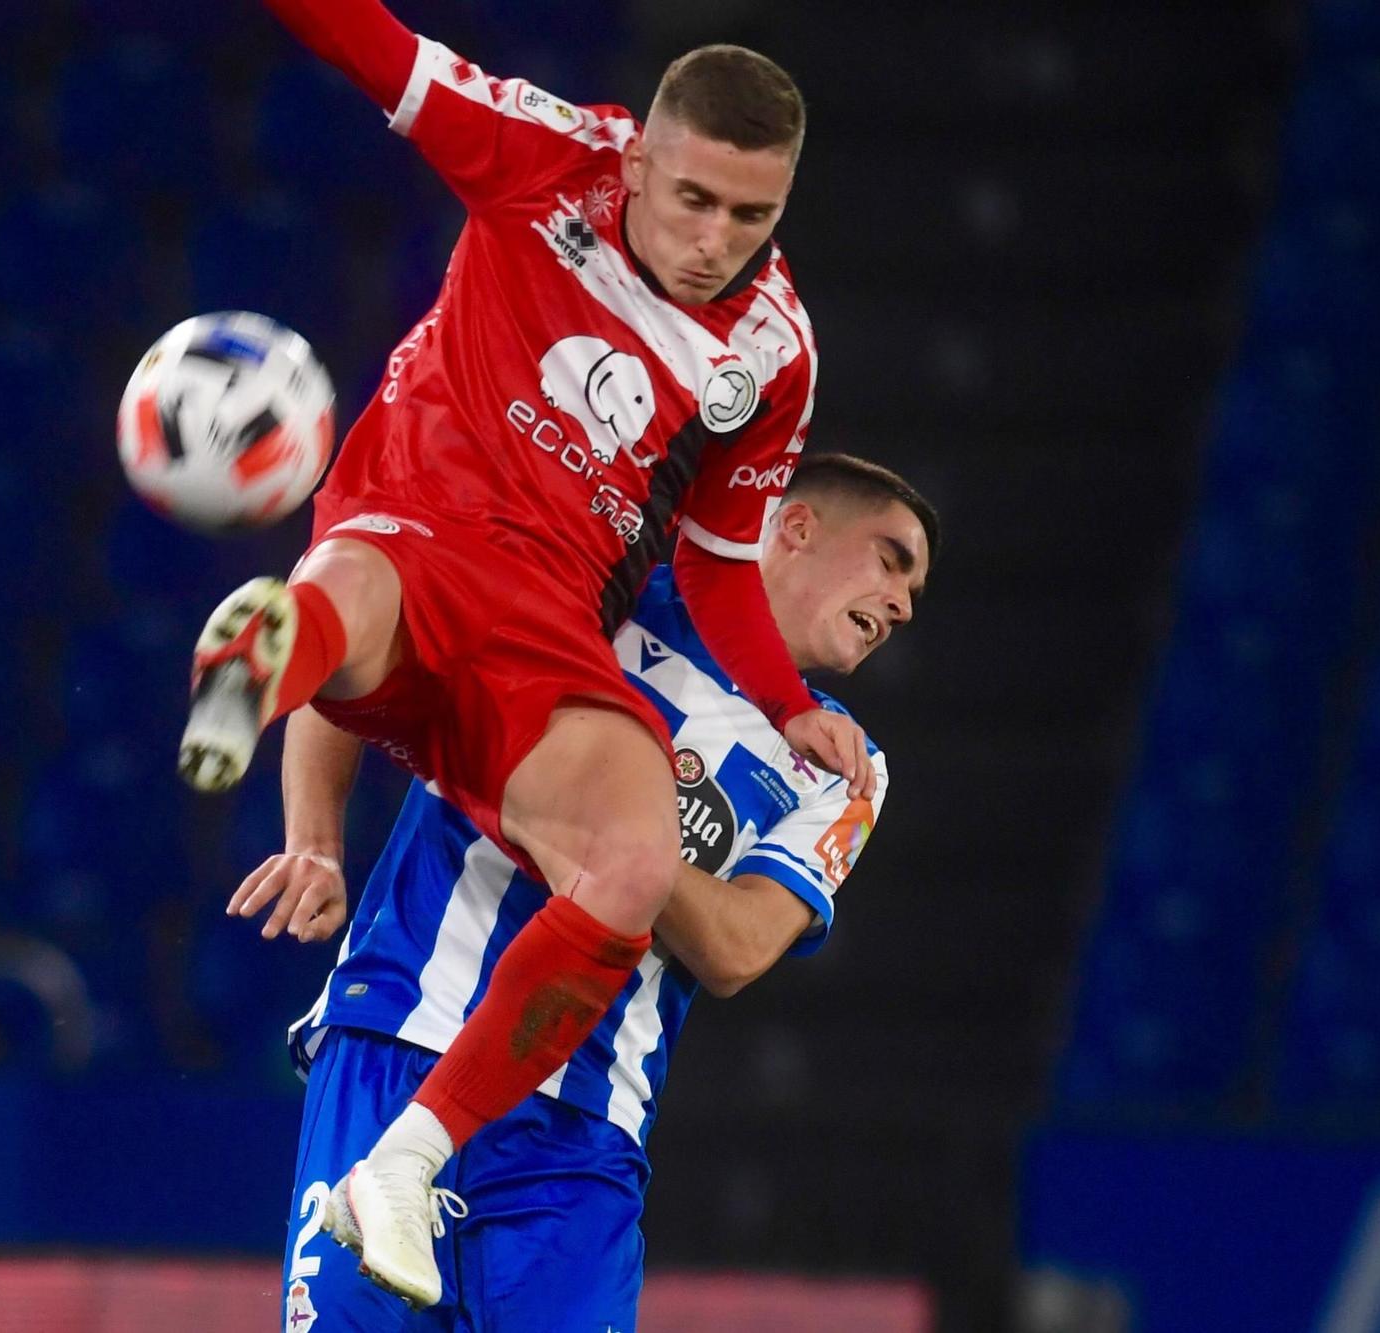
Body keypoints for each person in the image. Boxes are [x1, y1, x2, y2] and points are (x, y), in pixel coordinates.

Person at [179, 0, 868, 1307]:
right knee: (360, 586)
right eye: (695, 199)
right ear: (642, 160)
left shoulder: (772, 353)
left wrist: (783, 702)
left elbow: (722, 563)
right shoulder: (544, 154)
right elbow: (365, 40)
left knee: (633, 854)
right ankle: (265, 655)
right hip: (424, 519)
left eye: (752, 216)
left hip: (548, 622)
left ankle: (409, 1162)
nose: (716, 239)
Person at [236, 455, 937, 1327]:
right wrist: (314, 840)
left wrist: (609, 836)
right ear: (797, 527)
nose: (905, 603)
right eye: (892, 560)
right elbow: (356, 642)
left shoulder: (844, 767)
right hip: (403, 1030)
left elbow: (739, 947)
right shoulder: (599, 589)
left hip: (583, 1134)